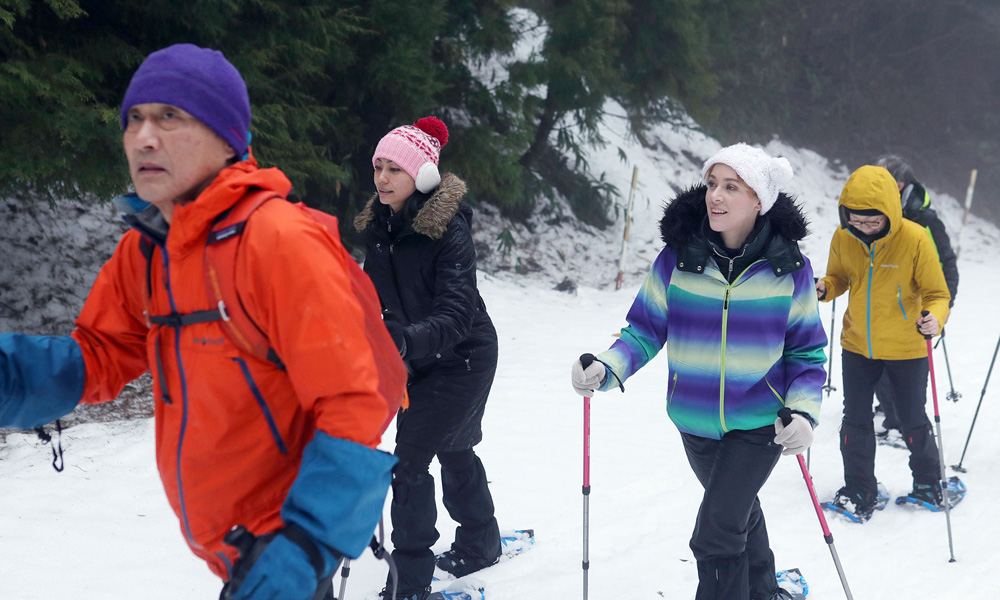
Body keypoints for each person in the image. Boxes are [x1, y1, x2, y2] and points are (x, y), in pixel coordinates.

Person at [0, 44, 397, 600]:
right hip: (229, 550)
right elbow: (99, 356)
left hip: (282, 552)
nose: (143, 137)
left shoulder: (277, 242)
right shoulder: (146, 252)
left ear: (226, 136)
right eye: (133, 119)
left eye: (170, 116)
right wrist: (8, 373)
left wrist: (303, 548)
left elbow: (352, 407)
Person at [570, 143, 828, 600]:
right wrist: (607, 368)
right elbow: (645, 329)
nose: (716, 196)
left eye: (731, 187)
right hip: (693, 420)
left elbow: (806, 354)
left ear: (758, 201)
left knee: (715, 534)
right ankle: (764, 591)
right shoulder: (679, 259)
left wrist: (804, 413)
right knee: (736, 512)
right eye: (712, 184)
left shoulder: (789, 270)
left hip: (760, 423)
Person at [354, 117, 502, 600]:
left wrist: (401, 342)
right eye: (378, 166)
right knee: (453, 446)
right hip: (415, 359)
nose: (381, 178)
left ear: (421, 175)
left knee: (409, 461)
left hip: (464, 356)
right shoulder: (379, 229)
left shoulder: (448, 230)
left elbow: (458, 314)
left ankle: (409, 580)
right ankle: (481, 542)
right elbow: (367, 299)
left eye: (394, 168)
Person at [815, 165, 951, 521]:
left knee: (911, 419)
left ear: (890, 212)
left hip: (906, 346)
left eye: (873, 222)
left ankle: (929, 482)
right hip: (858, 344)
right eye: (856, 220)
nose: (864, 228)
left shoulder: (916, 238)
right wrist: (826, 288)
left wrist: (935, 318)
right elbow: (839, 277)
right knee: (855, 419)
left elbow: (937, 293)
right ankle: (860, 488)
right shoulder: (843, 237)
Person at [870, 155, 959, 436]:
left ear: (898, 184)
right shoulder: (876, 218)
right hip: (882, 304)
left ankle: (903, 424)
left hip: (917, 308)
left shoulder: (925, 220)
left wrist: (943, 306)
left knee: (908, 369)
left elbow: (947, 264)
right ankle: (891, 411)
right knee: (878, 362)